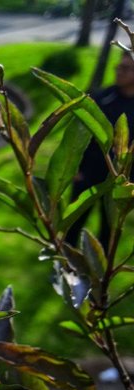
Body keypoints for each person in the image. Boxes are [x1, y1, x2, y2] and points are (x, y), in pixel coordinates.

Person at [70, 51, 134, 247]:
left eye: (125, 68)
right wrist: (76, 168)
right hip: (88, 175)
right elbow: (80, 134)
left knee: (109, 233)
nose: (119, 72)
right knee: (72, 223)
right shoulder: (103, 97)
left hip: (120, 183)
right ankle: (62, 268)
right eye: (118, 67)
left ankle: (99, 275)